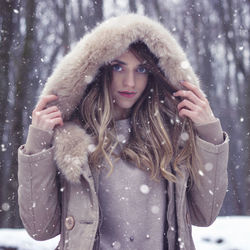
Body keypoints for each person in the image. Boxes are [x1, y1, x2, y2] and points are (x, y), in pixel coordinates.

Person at [18, 14, 229, 250]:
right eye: (118, 67)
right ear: (99, 71)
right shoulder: (72, 139)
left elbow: (205, 214)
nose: (130, 82)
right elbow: (40, 228)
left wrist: (208, 131)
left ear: (153, 74)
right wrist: (37, 144)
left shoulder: (173, 136)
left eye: (141, 69)